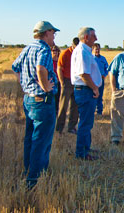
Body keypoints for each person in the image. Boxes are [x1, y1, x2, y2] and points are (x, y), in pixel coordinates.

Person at [12, 21, 59, 188]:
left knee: (30, 139)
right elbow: (40, 68)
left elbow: (15, 67)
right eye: (53, 33)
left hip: (29, 99)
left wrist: (25, 84)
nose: (54, 36)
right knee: (41, 140)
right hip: (42, 101)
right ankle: (35, 179)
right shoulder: (43, 48)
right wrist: (45, 86)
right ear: (46, 33)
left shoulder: (28, 48)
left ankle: (28, 171)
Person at [71, 27, 102, 160]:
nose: (96, 39)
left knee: (87, 122)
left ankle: (85, 148)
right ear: (86, 37)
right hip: (85, 90)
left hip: (85, 90)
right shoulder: (82, 51)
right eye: (94, 36)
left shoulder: (84, 50)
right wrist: (95, 88)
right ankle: (81, 153)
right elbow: (84, 74)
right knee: (85, 123)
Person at [56, 37, 79, 134]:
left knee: (75, 106)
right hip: (66, 81)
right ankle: (59, 128)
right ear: (72, 45)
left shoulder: (79, 53)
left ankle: (72, 127)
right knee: (63, 107)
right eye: (75, 47)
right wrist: (62, 82)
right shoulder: (65, 53)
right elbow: (59, 68)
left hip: (77, 81)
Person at [92, 43, 109, 115]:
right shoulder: (91, 58)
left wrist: (105, 75)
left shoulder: (103, 59)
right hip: (93, 81)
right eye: (96, 49)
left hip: (101, 80)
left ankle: (99, 111)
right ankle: (92, 111)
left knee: (100, 95)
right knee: (92, 95)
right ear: (93, 50)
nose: (97, 50)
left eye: (98, 49)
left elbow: (107, 68)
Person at [51, 45, 61, 114]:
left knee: (57, 99)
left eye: (56, 51)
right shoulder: (49, 61)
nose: (55, 52)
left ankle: (56, 113)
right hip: (51, 83)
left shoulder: (60, 61)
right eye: (53, 50)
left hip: (59, 82)